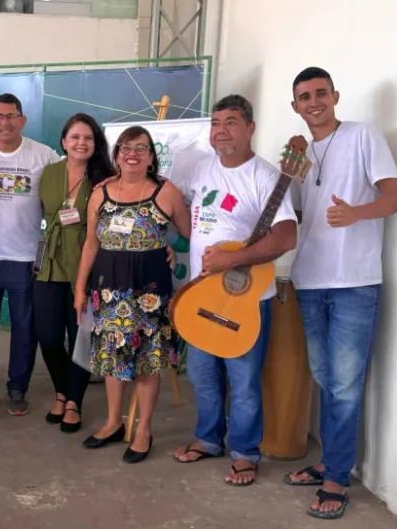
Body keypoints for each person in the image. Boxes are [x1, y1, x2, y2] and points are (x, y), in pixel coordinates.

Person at [282, 68, 397, 519]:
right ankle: (330, 462)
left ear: (335, 96)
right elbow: (295, 213)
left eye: (320, 93)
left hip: (354, 281)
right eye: (303, 97)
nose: (313, 102)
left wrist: (358, 213)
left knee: (345, 385)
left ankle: (336, 475)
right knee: (325, 377)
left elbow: (396, 194)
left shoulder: (362, 136)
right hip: (309, 280)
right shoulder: (300, 153)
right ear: (294, 106)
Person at [172, 95, 297, 486]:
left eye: (230, 122)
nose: (220, 131)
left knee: (243, 383)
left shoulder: (264, 176)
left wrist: (232, 259)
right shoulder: (199, 170)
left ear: (250, 129)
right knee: (203, 375)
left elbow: (286, 234)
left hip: (243, 300)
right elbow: (181, 210)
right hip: (200, 296)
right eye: (215, 123)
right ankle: (208, 439)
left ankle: (245, 453)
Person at [74, 125, 189, 461]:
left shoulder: (166, 192)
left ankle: (143, 429)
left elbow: (189, 234)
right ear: (117, 154)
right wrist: (80, 288)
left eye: (141, 148)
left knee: (146, 362)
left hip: (150, 290)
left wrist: (170, 246)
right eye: (125, 147)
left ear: (151, 157)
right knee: (112, 360)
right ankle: (113, 422)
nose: (132, 153)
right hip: (109, 289)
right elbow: (91, 244)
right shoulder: (102, 193)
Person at [0, 93, 60, 416]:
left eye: (11, 116)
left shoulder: (43, 156)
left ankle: (18, 388)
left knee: (24, 328)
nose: (5, 122)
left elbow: (58, 201)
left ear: (23, 120)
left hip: (25, 259)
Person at [35, 114, 115, 434]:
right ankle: (61, 390)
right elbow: (44, 214)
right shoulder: (49, 173)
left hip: (88, 264)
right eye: (75, 137)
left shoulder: (106, 178)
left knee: (80, 336)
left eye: (88, 138)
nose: (81, 143)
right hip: (50, 262)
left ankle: (73, 402)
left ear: (96, 144)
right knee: (50, 338)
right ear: (64, 141)